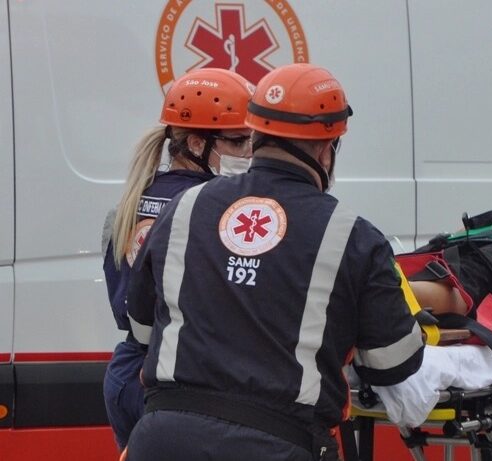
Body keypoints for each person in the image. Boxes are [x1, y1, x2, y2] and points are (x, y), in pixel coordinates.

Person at [124, 63, 424, 460]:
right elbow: (394, 362)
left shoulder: (185, 208)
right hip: (278, 446)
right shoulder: (353, 236)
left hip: (163, 442)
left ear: (256, 135)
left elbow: (142, 330)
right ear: (326, 148)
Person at [100, 67, 254, 450]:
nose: (249, 153)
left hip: (127, 373)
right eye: (238, 141)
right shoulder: (212, 209)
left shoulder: (133, 199)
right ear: (198, 145)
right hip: (179, 386)